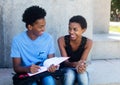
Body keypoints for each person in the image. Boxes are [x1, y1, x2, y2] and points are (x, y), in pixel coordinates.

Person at [11, 5, 58, 85]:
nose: (44, 29)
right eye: (41, 27)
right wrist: (27, 69)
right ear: (30, 27)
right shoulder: (17, 41)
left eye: (44, 25)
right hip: (28, 73)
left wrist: (53, 66)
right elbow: (16, 67)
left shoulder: (48, 38)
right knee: (32, 84)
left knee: (49, 80)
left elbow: (51, 61)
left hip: (44, 72)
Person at [58, 15, 93, 85]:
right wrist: (75, 64)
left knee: (82, 75)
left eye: (75, 29)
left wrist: (81, 66)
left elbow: (82, 61)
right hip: (66, 68)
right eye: (69, 28)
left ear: (83, 30)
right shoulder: (62, 40)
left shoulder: (88, 43)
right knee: (70, 75)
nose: (71, 32)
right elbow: (65, 62)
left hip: (78, 68)